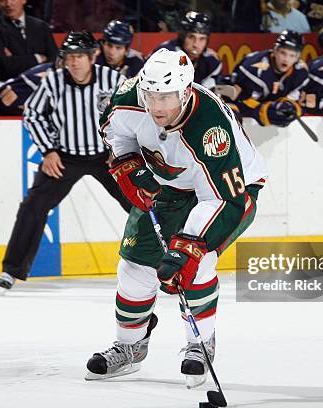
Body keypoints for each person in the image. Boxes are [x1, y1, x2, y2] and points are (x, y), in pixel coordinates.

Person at [85, 48, 268, 387]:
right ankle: (129, 346)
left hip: (229, 191)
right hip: (170, 184)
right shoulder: (128, 97)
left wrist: (187, 248)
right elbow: (115, 132)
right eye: (151, 95)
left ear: (185, 92)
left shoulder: (210, 128)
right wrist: (127, 165)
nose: (157, 106)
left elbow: (224, 199)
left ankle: (200, 344)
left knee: (196, 265)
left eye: (166, 97)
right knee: (134, 267)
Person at [0, 31, 132, 292]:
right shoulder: (53, 82)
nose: (74, 63)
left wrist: (122, 147)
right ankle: (12, 271)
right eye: (69, 57)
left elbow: (132, 114)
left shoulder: (114, 79)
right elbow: (33, 114)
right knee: (33, 205)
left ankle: (169, 259)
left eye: (79, 56)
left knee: (141, 201)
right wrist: (48, 150)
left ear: (92, 56)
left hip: (108, 156)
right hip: (65, 156)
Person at [223, 30, 307, 128]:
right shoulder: (252, 67)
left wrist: (288, 107)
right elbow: (237, 99)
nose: (286, 59)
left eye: (292, 55)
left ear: (298, 57)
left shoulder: (301, 72)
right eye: (283, 53)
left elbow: (297, 101)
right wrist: (264, 110)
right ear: (275, 50)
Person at [0, 0, 58, 80]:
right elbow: (4, 65)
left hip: (42, 81)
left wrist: (17, 59)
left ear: (24, 0)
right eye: (3, 0)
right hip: (10, 83)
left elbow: (54, 58)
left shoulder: (41, 26)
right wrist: (38, 58)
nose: (8, 4)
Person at [151, 11, 222, 89]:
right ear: (182, 37)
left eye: (202, 39)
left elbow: (208, 95)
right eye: (191, 37)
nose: (196, 44)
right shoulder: (166, 53)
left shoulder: (211, 61)